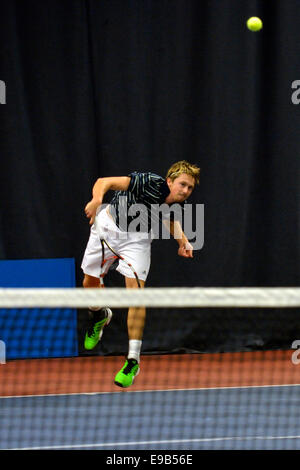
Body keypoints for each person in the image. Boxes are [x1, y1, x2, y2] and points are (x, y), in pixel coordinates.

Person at [81, 160, 200, 388]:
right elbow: (104, 182)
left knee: (137, 296)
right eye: (182, 185)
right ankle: (99, 315)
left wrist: (182, 241)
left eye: (190, 188)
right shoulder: (148, 182)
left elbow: (170, 219)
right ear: (169, 181)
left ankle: (132, 360)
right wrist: (97, 199)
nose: (185, 191)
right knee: (89, 282)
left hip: (137, 240)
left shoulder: (178, 203)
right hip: (107, 228)